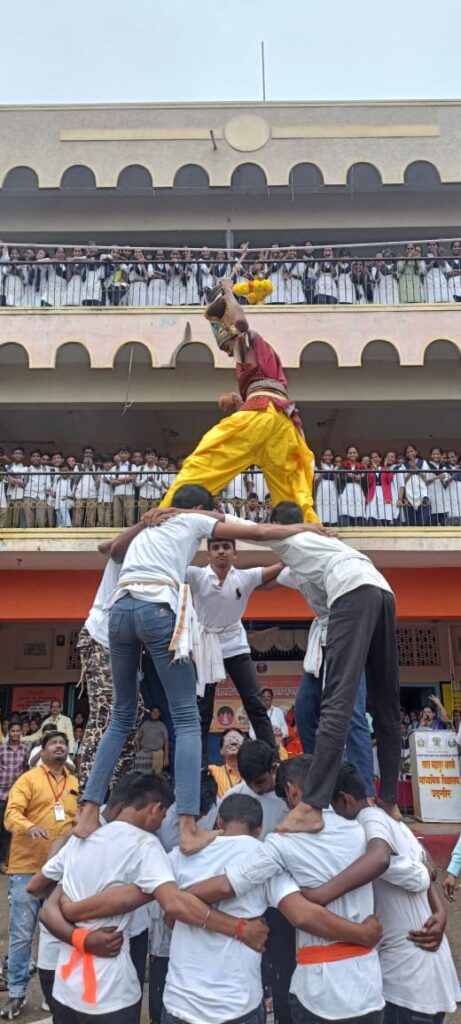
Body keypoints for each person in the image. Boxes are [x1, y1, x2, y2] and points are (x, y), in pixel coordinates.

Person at [74, 484, 314, 851]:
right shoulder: (196, 519)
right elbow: (260, 532)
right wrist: (303, 529)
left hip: (119, 613)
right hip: (156, 610)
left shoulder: (147, 529)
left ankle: (88, 812)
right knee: (187, 718)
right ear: (203, 508)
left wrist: (143, 521)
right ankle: (188, 826)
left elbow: (108, 549)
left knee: (121, 716)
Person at [223, 500, 401, 832]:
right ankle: (386, 799)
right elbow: (273, 577)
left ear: (277, 523)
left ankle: (323, 801)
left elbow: (237, 524)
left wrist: (187, 515)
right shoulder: (314, 546)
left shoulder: (289, 538)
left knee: (341, 709)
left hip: (349, 610)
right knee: (318, 709)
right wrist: (235, 578)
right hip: (380, 593)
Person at [35, 773, 269, 1024]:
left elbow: (37, 887)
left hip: (66, 986)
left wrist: (76, 923)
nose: (161, 823)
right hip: (109, 992)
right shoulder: (146, 845)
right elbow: (173, 905)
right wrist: (240, 928)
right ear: (155, 808)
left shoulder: (82, 838)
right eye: (164, 814)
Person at [195, 755, 385, 1024]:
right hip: (368, 986)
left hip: (319, 992)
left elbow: (230, 884)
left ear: (292, 790)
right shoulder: (362, 830)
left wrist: (180, 895)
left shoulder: (282, 843)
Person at [158, 280, 318, 522]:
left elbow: (241, 323)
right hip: (282, 423)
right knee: (294, 491)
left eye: (225, 346)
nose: (226, 351)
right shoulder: (261, 357)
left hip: (262, 413)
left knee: (207, 457)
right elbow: (264, 386)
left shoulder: (246, 340)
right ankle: (311, 534)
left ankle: (166, 512)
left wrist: (228, 292)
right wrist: (238, 400)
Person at [326, 762, 461, 1024]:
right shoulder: (390, 821)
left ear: (343, 800)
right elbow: (423, 866)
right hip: (420, 971)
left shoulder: (366, 826)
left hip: (407, 980)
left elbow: (400, 867)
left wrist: (319, 894)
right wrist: (438, 906)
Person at [277, 567, 375, 797]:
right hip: (320, 642)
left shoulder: (335, 567)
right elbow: (269, 579)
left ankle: (366, 793)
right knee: (304, 709)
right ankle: (320, 778)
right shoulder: (296, 570)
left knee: (352, 715)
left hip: (348, 638)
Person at [1, 732, 78, 1020]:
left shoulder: (74, 783)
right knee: (22, 933)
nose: (60, 746)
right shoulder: (29, 780)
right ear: (42, 751)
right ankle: (17, 993)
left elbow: (78, 820)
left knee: (57, 933)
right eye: (54, 743)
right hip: (26, 868)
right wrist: (29, 826)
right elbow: (10, 814)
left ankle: (54, 994)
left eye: (63, 744)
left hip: (61, 871)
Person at [186, 536, 280, 758]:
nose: (221, 552)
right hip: (206, 646)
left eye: (226, 547)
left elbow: (275, 569)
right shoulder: (196, 575)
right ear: (208, 554)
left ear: (234, 553)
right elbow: (170, 564)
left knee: (255, 703)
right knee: (203, 710)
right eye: (215, 548)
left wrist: (294, 552)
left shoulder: (245, 577)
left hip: (236, 645)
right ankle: (199, 767)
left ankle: (272, 759)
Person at [77, 537, 145, 794]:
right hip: (102, 637)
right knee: (106, 713)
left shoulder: (162, 560)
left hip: (126, 646)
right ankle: (87, 794)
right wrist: (144, 525)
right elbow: (105, 547)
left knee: (135, 712)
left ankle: (119, 792)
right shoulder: (130, 548)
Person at [0, 724, 29, 872]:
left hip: (14, 796)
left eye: (18, 731)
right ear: (8, 732)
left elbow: (26, 769)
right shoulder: (1, 749)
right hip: (0, 793)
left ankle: (3, 862)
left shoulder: (25, 749)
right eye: (13, 731)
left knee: (7, 829)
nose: (16, 733)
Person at [208, 730, 243, 798]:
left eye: (238, 739)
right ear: (221, 750)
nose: (234, 742)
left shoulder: (252, 772)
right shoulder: (212, 771)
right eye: (229, 740)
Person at [135, 707, 169, 774]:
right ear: (150, 713)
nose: (155, 713)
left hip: (158, 754)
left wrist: (166, 758)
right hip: (144, 754)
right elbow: (138, 738)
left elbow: (166, 741)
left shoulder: (162, 725)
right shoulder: (145, 724)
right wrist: (138, 752)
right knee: (141, 776)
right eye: (153, 711)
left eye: (157, 712)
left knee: (155, 777)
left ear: (160, 714)